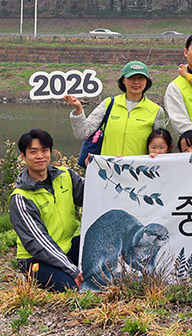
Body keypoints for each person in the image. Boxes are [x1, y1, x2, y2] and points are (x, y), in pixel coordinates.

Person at [9, 130, 83, 291]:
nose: (40, 156)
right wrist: (72, 269)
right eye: (33, 152)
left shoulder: (65, 175)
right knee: (71, 288)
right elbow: (39, 243)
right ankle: (29, 279)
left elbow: (95, 195)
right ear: (23, 156)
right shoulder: (21, 198)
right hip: (36, 259)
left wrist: (101, 165)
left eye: (44, 150)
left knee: (98, 242)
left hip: (67, 247)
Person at [65, 60, 166, 157]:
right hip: (109, 170)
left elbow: (161, 146)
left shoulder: (156, 111)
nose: (136, 82)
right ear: (123, 80)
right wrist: (78, 109)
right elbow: (83, 133)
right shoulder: (109, 104)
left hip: (138, 171)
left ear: (147, 81)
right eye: (131, 78)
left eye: (141, 78)